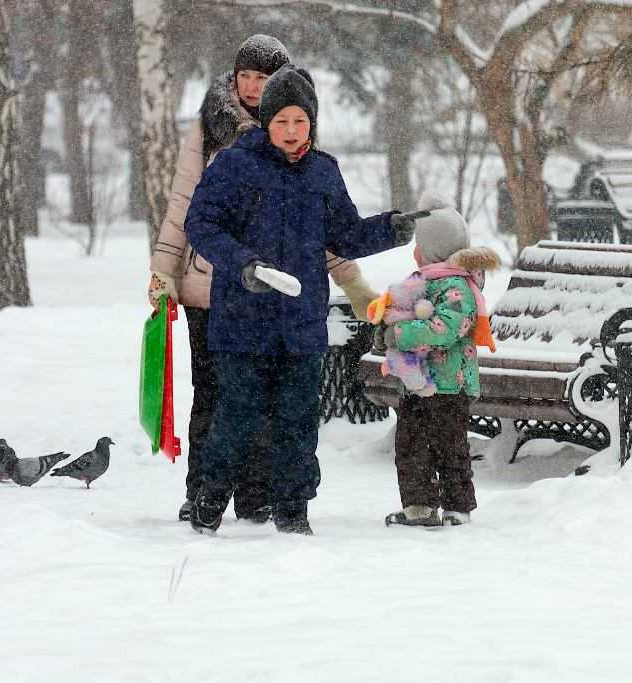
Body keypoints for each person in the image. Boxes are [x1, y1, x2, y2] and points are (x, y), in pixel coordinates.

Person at [147, 36, 379, 524]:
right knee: (226, 405)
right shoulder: (222, 146)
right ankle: (206, 496)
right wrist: (167, 270)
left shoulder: (316, 161)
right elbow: (188, 211)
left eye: (262, 78)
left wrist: (369, 260)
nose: (251, 86)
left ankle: (274, 501)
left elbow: (334, 232)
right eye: (244, 76)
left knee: (289, 413)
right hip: (223, 298)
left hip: (295, 312)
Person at [184, 64, 420, 535]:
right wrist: (244, 263)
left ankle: (292, 511)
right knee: (236, 415)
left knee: (297, 421)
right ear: (267, 123)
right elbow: (201, 225)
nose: (292, 132)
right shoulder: (234, 165)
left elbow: (345, 235)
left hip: (300, 323)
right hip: (242, 321)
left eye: (301, 122)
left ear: (312, 122)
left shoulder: (322, 172)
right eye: (282, 122)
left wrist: (390, 229)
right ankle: (209, 502)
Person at [379, 193, 501, 528]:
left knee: (450, 447)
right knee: (411, 445)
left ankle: (457, 506)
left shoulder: (457, 287)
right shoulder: (423, 282)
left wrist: (400, 334)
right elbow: (399, 312)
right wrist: (386, 325)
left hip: (449, 384)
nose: (415, 251)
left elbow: (444, 330)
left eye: (419, 244)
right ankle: (419, 506)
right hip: (418, 385)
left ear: (432, 249)